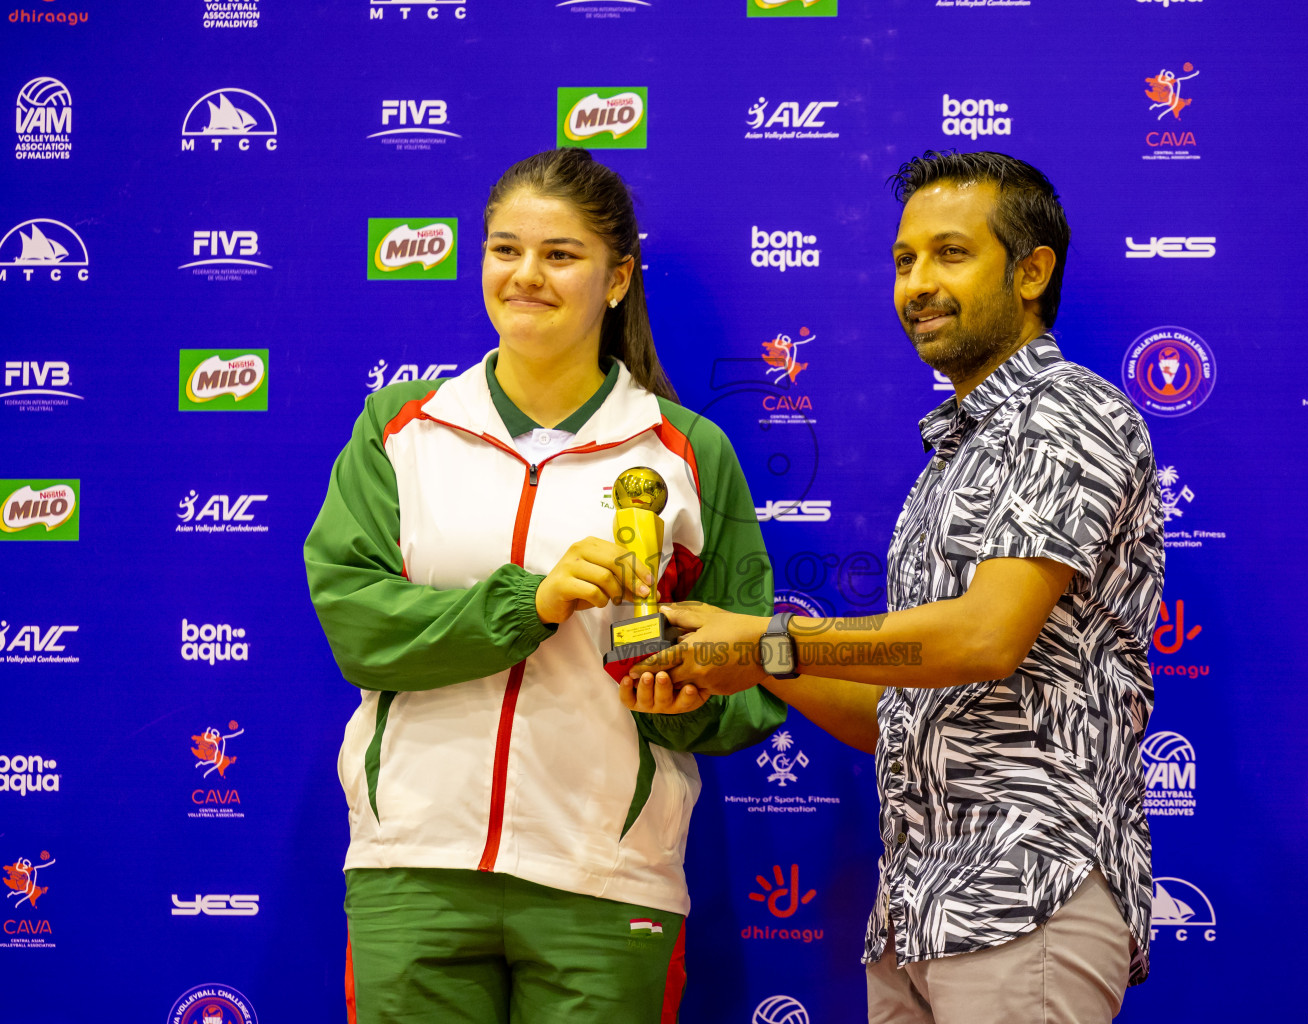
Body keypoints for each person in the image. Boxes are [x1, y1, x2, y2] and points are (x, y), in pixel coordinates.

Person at [630, 151, 1165, 1024]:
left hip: (1026, 890)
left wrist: (770, 641)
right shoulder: (950, 457)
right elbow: (898, 719)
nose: (917, 283)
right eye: (904, 259)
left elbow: (987, 638)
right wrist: (747, 661)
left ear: (1032, 272)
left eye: (951, 254)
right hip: (920, 913)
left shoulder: (1070, 412)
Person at [303, 148, 784, 1024]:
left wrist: (675, 693)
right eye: (504, 249)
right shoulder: (401, 429)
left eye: (559, 255)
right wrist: (532, 600)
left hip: (605, 875)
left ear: (616, 279)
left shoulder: (686, 453)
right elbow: (357, 625)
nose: (525, 275)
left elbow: (749, 675)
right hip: (415, 864)